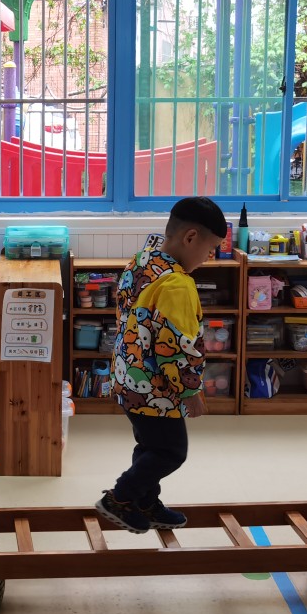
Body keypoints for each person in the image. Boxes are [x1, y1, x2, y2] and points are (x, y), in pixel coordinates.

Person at [96, 196, 228, 535]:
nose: (209, 257)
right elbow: (178, 349)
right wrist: (190, 392)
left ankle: (145, 502)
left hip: (127, 378)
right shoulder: (178, 285)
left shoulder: (142, 261)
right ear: (190, 237)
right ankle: (120, 498)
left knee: (150, 447)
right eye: (210, 249)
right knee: (171, 451)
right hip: (157, 390)